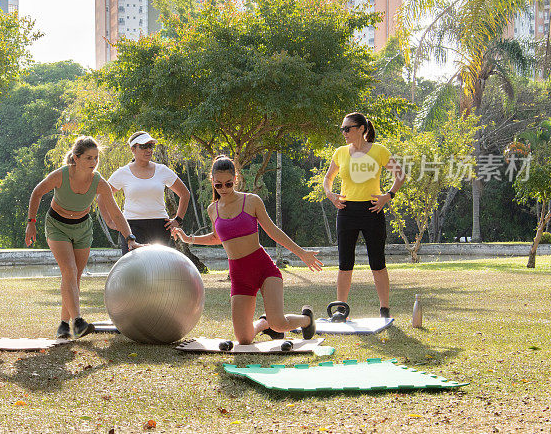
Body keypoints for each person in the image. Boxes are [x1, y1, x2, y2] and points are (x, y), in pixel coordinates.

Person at [172, 156, 323, 345]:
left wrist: (301, 253)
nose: (224, 189)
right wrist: (189, 239)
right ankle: (263, 323)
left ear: (236, 179)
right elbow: (217, 237)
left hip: (263, 268)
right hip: (239, 274)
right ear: (212, 182)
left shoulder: (251, 201)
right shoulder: (213, 209)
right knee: (244, 339)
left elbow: (273, 231)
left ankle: (306, 319)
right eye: (219, 185)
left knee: (279, 323)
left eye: (228, 184)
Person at [25, 136, 142, 339]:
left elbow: (115, 213)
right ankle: (78, 321)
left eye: (96, 158)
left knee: (75, 277)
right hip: (57, 226)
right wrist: (31, 223)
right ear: (76, 158)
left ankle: (63, 324)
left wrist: (130, 237)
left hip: (82, 228)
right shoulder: (61, 175)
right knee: (69, 271)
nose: (94, 162)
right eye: (89, 158)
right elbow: (37, 193)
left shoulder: (99, 182)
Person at [322, 112, 406, 320]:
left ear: (361, 129)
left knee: (377, 263)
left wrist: (388, 196)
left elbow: (400, 174)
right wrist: (330, 195)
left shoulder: (379, 151)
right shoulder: (340, 152)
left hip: (372, 210)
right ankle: (341, 309)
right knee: (345, 264)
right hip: (346, 211)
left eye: (347, 129)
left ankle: (384, 309)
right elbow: (328, 178)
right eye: (342, 129)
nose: (344, 133)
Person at [102, 131, 191, 254]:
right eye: (143, 146)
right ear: (133, 149)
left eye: (151, 146)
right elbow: (102, 196)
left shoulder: (162, 170)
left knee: (158, 268)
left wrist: (178, 220)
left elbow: (185, 194)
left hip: (160, 226)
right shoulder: (122, 173)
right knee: (133, 268)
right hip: (131, 227)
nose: (148, 150)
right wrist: (110, 221)